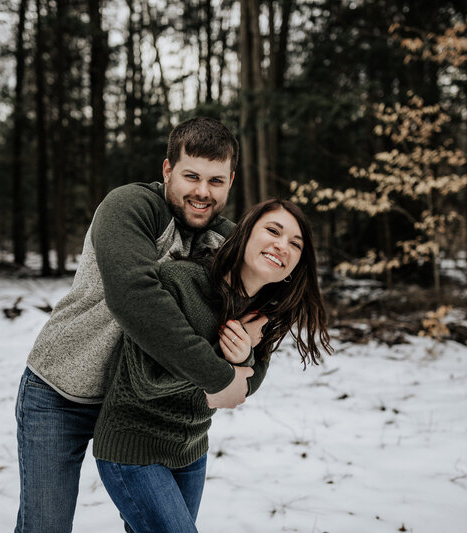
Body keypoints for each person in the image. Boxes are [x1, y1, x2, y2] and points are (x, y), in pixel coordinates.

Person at [14, 117, 268, 533]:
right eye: (191, 176)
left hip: (145, 413)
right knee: (45, 526)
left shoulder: (226, 241)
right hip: (62, 392)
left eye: (216, 181)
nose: (203, 192)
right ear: (167, 170)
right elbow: (135, 299)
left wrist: (246, 367)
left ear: (231, 181)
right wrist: (219, 377)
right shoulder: (131, 206)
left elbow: (263, 318)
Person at [93, 198, 333, 533]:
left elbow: (248, 381)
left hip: (191, 451)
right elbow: (148, 380)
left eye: (296, 244)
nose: (283, 245)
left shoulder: (261, 309)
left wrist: (244, 355)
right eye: (273, 231)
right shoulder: (181, 281)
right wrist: (225, 360)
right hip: (134, 448)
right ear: (245, 233)